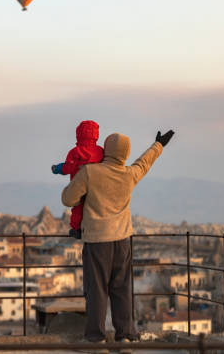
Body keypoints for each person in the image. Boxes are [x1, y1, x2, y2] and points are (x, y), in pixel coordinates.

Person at [61, 129, 175, 345]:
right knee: (122, 290)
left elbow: (68, 199)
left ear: (106, 149)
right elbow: (144, 163)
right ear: (125, 153)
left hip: (97, 242)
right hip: (122, 241)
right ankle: (125, 338)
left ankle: (95, 340)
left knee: (97, 290)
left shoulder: (90, 172)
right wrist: (158, 145)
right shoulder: (129, 174)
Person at [52, 120, 104, 239]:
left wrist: (57, 169)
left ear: (79, 134)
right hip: (97, 186)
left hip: (79, 186)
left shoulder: (75, 152)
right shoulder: (100, 151)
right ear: (96, 134)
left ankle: (77, 229)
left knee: (78, 207)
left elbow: (67, 168)